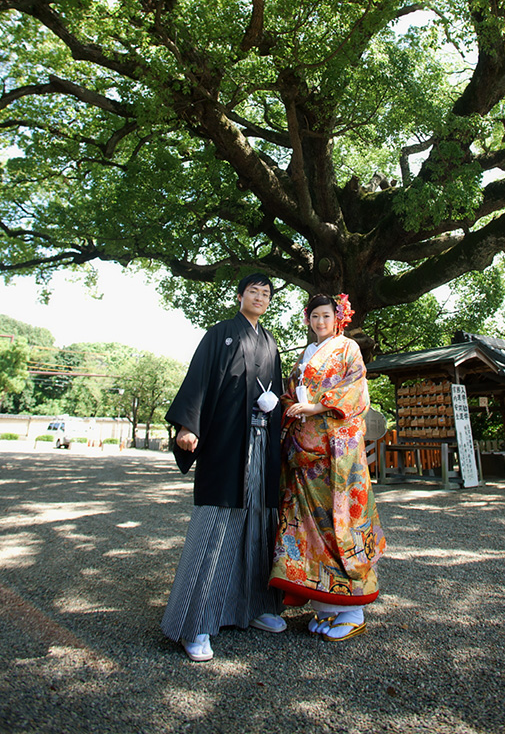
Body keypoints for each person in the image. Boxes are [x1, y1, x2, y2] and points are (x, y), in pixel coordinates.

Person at [161, 273, 285, 662]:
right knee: (217, 523)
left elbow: (278, 392)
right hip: (227, 441)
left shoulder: (270, 342)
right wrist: (188, 424)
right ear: (240, 295)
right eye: (254, 292)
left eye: (266, 294)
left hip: (262, 445)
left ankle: (254, 607)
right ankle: (193, 623)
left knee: (260, 522)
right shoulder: (220, 333)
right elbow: (198, 379)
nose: (260, 298)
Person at [269, 292, 386, 642]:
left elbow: (355, 391)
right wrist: (288, 405)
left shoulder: (348, 348)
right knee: (307, 527)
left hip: (336, 455)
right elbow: (291, 394)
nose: (321, 322)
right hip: (302, 455)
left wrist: (317, 408)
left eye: (326, 316)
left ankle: (351, 610)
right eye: (315, 316)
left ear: (338, 318)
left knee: (339, 524)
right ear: (307, 319)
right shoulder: (303, 356)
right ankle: (324, 607)